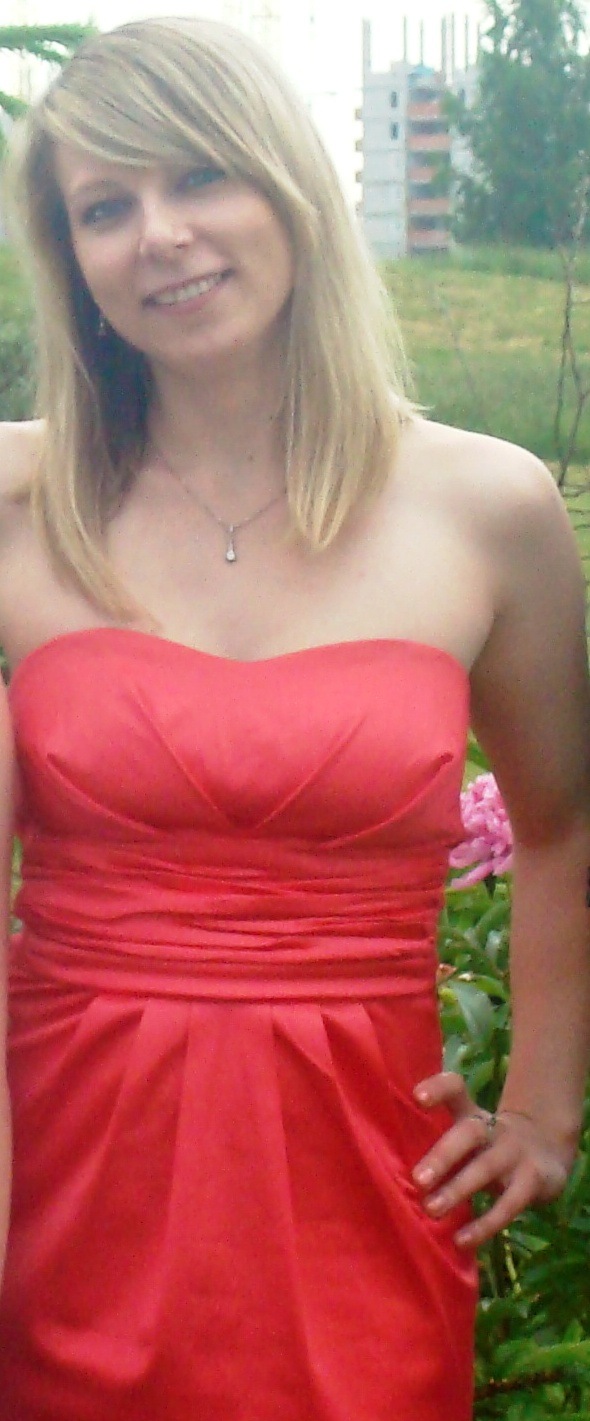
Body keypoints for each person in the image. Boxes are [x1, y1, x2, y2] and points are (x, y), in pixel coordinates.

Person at [0, 16, 588, 1421]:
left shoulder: (489, 508)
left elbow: (564, 827)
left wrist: (543, 1107)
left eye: (198, 176)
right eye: (104, 207)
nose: (160, 235)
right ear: (70, 258)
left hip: (365, 1184)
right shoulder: (15, 510)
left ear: (289, 184)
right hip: (64, 1180)